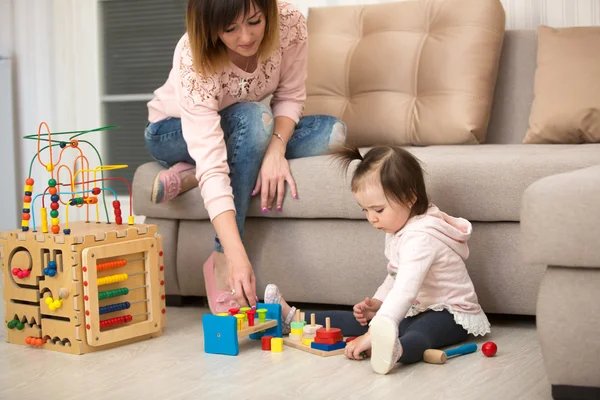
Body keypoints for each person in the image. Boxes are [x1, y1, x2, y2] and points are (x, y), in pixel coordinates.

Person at [144, 0, 346, 313]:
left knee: (332, 133)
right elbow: (213, 161)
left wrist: (276, 151)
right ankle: (219, 257)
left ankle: (190, 174)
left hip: (247, 129)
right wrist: (234, 253)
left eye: (254, 21)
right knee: (256, 120)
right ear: (212, 28)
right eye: (230, 29)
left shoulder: (288, 21)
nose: (247, 37)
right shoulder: (192, 55)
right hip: (170, 133)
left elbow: (291, 96)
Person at [264, 145, 491, 375]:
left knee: (422, 332)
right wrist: (378, 303)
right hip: (418, 308)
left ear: (410, 198)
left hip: (450, 315)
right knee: (361, 321)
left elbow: (405, 290)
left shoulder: (421, 238)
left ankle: (395, 351)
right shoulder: (397, 231)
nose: (372, 218)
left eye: (379, 210)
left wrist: (375, 333)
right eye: (365, 210)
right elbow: (394, 276)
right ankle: (294, 319)